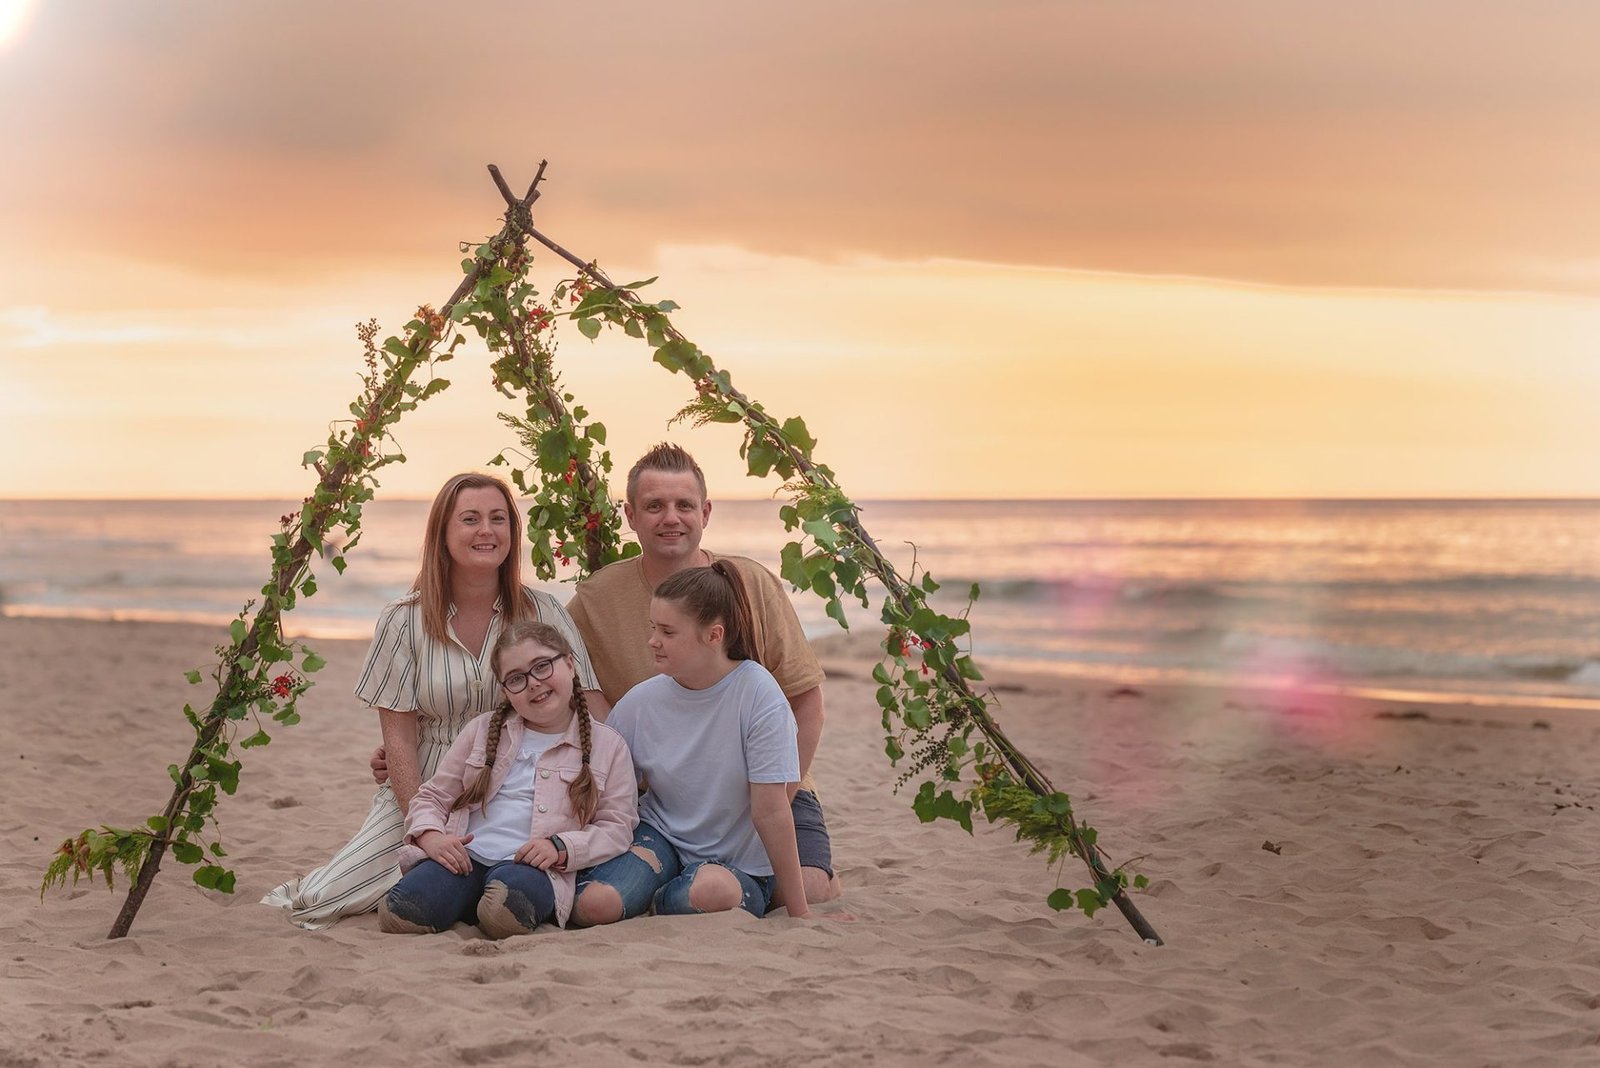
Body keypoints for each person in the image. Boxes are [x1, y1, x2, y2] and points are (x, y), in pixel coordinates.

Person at [262, 472, 605, 929]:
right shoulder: (403, 622)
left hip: (528, 783)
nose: (487, 530)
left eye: (498, 518)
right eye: (471, 519)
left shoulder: (544, 611)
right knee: (328, 897)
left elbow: (592, 709)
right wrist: (424, 829)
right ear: (442, 534)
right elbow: (399, 741)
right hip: (430, 786)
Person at [566, 443, 842, 909]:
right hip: (667, 804)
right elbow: (546, 674)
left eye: (684, 505)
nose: (670, 517)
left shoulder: (749, 583)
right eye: (654, 506)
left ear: (705, 512)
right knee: (618, 893)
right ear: (631, 515)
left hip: (771, 791)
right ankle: (675, 880)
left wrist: (761, 806)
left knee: (812, 890)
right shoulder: (596, 598)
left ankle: (711, 883)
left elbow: (807, 704)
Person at [572, 562, 808, 923]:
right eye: (653, 628)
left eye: (667, 632)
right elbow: (605, 790)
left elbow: (771, 811)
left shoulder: (760, 697)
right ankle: (644, 888)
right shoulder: (640, 702)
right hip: (658, 839)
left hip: (734, 863)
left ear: (714, 635)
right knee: (595, 904)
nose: (653, 641)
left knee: (710, 892)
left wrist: (800, 912)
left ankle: (657, 898)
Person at [378, 621, 636, 937]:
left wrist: (560, 847)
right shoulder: (483, 731)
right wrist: (431, 836)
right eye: (516, 678)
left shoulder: (608, 746)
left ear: (569, 664)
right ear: (505, 691)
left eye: (542, 666)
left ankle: (476, 903)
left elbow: (617, 828)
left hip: (532, 867)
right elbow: (433, 795)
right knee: (401, 912)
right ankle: (462, 897)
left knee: (505, 914)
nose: (533, 683)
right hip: (465, 858)